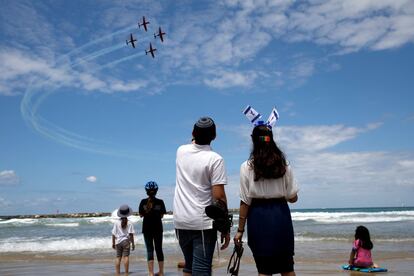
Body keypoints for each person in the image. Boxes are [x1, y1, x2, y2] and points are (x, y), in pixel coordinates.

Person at [233, 122, 299, 276]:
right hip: (281, 215)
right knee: (287, 268)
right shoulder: (285, 165)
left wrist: (240, 231)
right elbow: (292, 198)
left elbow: (245, 202)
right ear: (271, 139)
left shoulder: (246, 166)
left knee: (264, 269)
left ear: (253, 140)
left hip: (258, 217)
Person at [173, 116, 230, 276]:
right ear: (214, 136)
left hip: (181, 220)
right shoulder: (215, 159)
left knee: (189, 267)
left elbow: (193, 143)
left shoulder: (180, 151)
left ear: (193, 133)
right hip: (202, 223)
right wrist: (225, 227)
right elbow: (219, 197)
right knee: (202, 269)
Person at [139, 181, 167, 276]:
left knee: (149, 250)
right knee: (159, 249)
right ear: (156, 191)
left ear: (146, 191)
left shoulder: (143, 202)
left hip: (147, 229)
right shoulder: (160, 202)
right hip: (158, 228)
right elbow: (162, 216)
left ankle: (151, 273)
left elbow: (141, 215)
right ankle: (161, 272)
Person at [112, 204, 135, 275]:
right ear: (128, 213)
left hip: (118, 242)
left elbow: (113, 234)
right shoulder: (130, 223)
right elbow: (131, 235)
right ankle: (126, 273)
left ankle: (117, 273)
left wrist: (113, 243)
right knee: (126, 257)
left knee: (118, 257)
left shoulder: (116, 223)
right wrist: (133, 244)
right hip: (126, 242)